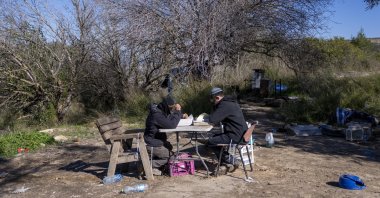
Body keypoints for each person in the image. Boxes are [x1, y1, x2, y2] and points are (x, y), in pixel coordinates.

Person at [206, 87, 248, 173]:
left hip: (235, 135)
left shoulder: (224, 105)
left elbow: (212, 119)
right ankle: (225, 162)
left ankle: (230, 160)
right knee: (215, 138)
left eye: (213, 100)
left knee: (210, 142)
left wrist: (214, 107)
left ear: (217, 98)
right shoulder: (230, 102)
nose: (213, 102)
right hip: (241, 134)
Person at [144, 95, 183, 174]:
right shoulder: (157, 115)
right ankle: (147, 165)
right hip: (152, 143)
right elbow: (171, 125)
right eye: (171, 108)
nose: (172, 110)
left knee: (169, 147)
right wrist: (178, 111)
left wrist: (180, 115)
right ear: (166, 106)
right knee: (172, 157)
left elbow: (168, 119)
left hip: (155, 141)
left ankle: (154, 161)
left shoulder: (159, 111)